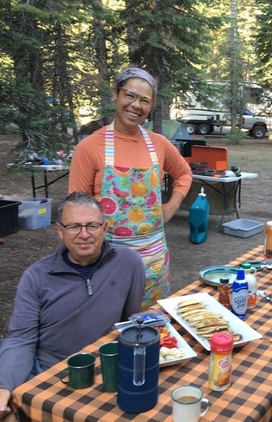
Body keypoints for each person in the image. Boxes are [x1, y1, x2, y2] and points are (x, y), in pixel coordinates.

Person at [0, 192, 145, 422]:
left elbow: (126, 321)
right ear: (60, 232)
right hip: (33, 364)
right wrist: (3, 385)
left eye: (92, 226)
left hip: (81, 368)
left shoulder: (128, 263)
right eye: (74, 226)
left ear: (105, 228)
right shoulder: (37, 276)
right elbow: (20, 340)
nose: (84, 234)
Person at [69, 66, 193, 309]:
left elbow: (184, 173)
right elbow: (76, 209)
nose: (136, 105)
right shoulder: (90, 147)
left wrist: (172, 205)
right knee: (108, 325)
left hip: (154, 260)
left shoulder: (159, 144)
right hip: (106, 258)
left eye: (145, 100)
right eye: (130, 96)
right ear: (116, 94)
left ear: (151, 105)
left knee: (152, 326)